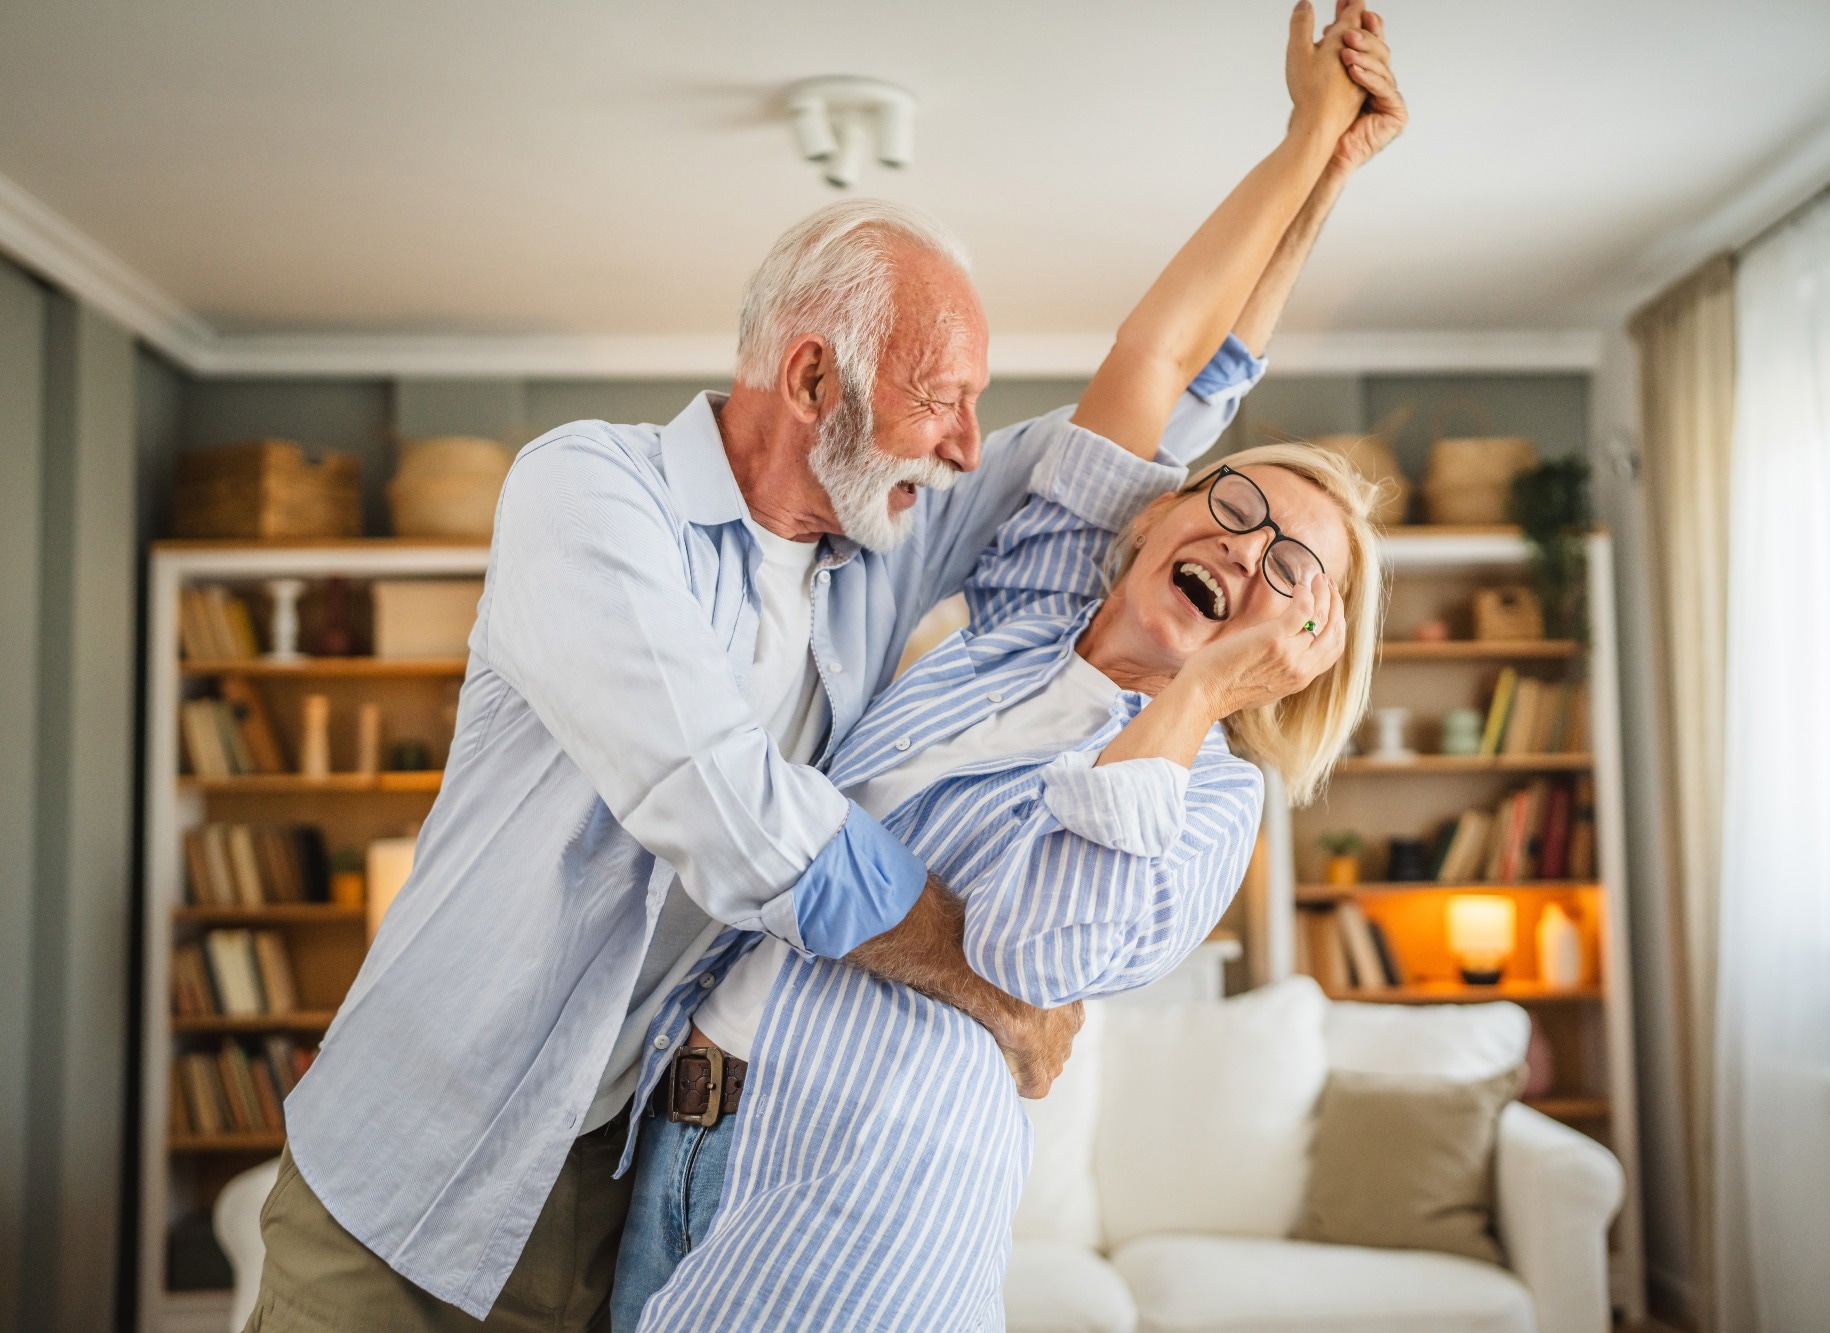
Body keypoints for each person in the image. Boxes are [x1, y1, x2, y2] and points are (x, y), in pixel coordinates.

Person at [249, 70, 1281, 1333]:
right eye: (942, 399)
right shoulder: (587, 494)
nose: (967, 446)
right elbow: (726, 807)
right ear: (811, 383)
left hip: (607, 1176)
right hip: (411, 1166)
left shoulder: (881, 532)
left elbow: (1145, 421)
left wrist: (1319, 157)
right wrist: (994, 980)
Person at [616, 3, 1405, 1329]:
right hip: (693, 1131)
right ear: (1152, 513)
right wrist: (1310, 148)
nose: (1248, 546)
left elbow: (1035, 946)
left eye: (1293, 570)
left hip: (869, 1204)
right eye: (1234, 504)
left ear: (1306, 644)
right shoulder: (1039, 607)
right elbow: (1164, 356)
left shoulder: (1210, 801)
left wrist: (1201, 693)